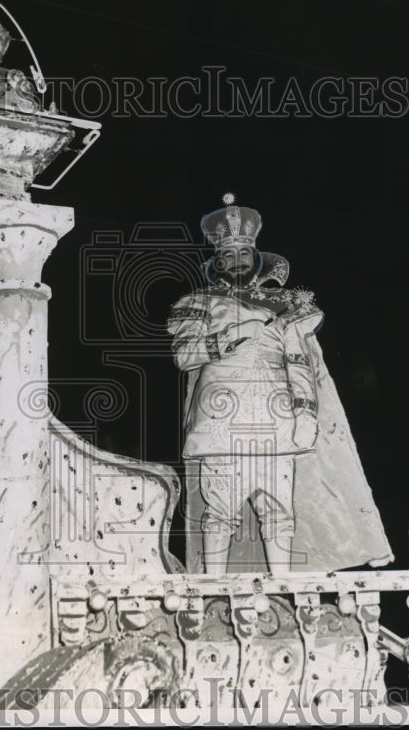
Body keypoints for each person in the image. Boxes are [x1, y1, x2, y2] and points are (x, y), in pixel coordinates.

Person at [167, 194, 393, 574]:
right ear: (217, 262)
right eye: (230, 255)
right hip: (222, 420)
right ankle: (212, 588)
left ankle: (283, 586)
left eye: (244, 254)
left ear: (256, 258)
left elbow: (299, 362)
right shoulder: (199, 302)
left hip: (276, 418)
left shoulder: (284, 304)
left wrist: (305, 415)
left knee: (278, 511)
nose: (237, 261)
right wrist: (230, 335)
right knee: (220, 512)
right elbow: (183, 355)